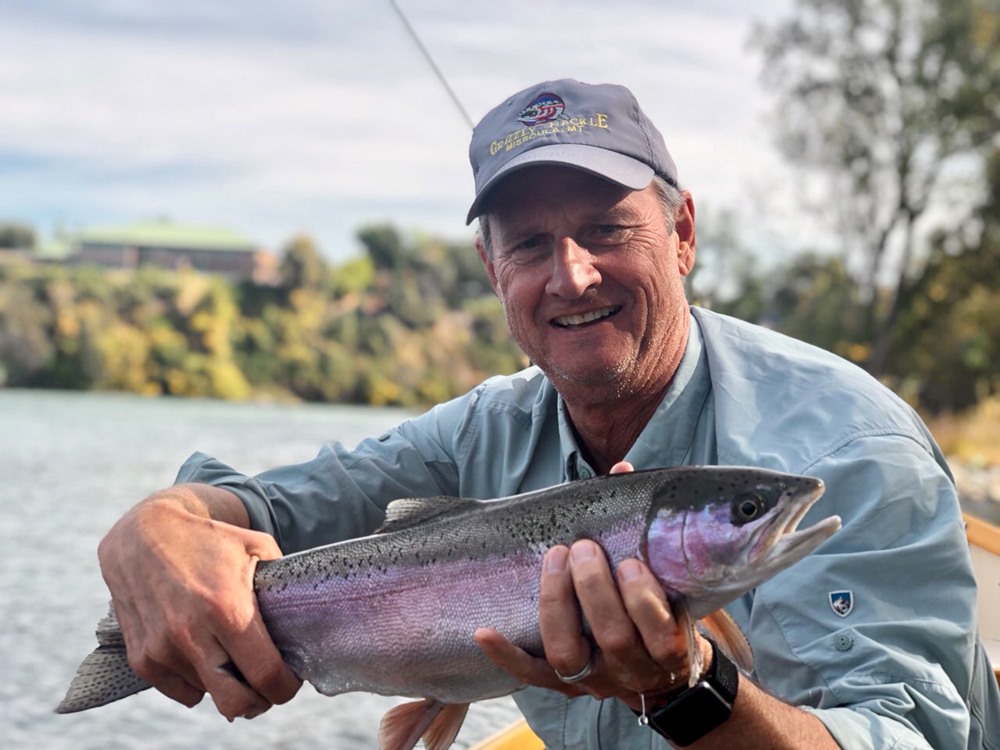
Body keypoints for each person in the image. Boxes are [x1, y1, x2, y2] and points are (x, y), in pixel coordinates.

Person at [98, 79, 1000, 749]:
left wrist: (690, 688)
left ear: (682, 234)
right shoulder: (484, 430)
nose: (570, 274)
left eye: (608, 228)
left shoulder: (851, 452)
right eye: (530, 244)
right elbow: (271, 506)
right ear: (495, 275)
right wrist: (161, 525)